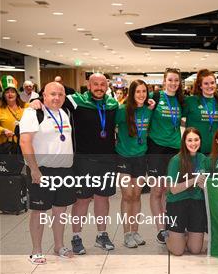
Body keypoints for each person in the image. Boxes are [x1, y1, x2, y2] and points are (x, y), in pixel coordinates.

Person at [31, 73, 119, 254]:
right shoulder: (75, 101)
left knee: (103, 198)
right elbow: (53, 98)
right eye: (95, 84)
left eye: (103, 84)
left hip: (107, 160)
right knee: (82, 200)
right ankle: (76, 237)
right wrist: (36, 102)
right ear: (88, 84)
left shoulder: (112, 104)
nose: (99, 87)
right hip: (82, 160)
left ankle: (102, 235)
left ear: (107, 85)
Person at [19, 82, 75, 264]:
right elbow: (24, 142)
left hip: (64, 170)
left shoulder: (65, 112)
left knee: (60, 210)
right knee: (39, 211)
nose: (57, 97)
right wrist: (34, 169)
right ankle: (36, 250)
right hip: (42, 170)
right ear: (43, 95)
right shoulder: (33, 112)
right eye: (52, 94)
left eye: (60, 94)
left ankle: (59, 246)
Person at [147, 68, 184, 244]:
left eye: (176, 80)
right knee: (157, 190)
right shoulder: (155, 97)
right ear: (164, 81)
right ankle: (161, 229)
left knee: (170, 190)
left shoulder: (181, 100)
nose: (173, 83)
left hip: (175, 149)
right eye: (170, 80)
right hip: (156, 148)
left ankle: (171, 224)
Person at [115, 80, 153, 248]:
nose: (141, 95)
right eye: (138, 92)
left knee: (137, 195)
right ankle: (126, 234)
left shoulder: (148, 110)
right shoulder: (122, 111)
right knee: (127, 195)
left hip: (140, 158)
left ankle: (135, 232)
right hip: (124, 157)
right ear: (132, 93)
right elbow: (111, 126)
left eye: (144, 91)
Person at [165, 127, 208, 256]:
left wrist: (203, 186)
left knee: (195, 250)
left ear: (200, 141)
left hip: (196, 202)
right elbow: (173, 189)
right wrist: (194, 180)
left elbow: (207, 185)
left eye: (196, 140)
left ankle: (187, 235)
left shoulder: (203, 159)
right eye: (189, 140)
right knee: (178, 251)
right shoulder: (176, 160)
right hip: (177, 203)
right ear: (184, 142)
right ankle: (169, 236)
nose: (193, 143)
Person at [184, 69, 218, 154]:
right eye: (206, 83)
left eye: (212, 83)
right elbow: (177, 117)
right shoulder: (191, 101)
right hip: (195, 149)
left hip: (215, 149)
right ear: (200, 86)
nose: (210, 86)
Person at [0, 76, 26, 145]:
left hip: (25, 143)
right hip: (7, 145)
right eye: (7, 92)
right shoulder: (0, 108)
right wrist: (3, 130)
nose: (10, 94)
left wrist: (36, 102)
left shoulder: (25, 106)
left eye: (12, 92)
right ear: (3, 95)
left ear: (17, 94)